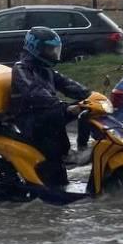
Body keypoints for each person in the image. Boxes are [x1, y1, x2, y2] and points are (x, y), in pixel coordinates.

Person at [10, 26, 91, 187]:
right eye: (49, 49)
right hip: (30, 118)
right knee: (63, 114)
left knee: (87, 110)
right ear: (35, 48)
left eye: (54, 50)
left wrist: (89, 95)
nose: (53, 54)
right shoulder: (21, 69)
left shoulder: (46, 69)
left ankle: (82, 148)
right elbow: (34, 92)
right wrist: (63, 107)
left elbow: (67, 84)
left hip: (48, 113)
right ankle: (64, 157)